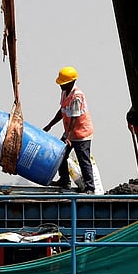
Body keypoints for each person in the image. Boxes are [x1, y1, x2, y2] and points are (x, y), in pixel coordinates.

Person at [43, 66, 95, 194]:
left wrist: (68, 136)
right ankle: (64, 180)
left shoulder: (77, 96)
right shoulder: (65, 93)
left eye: (63, 83)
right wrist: (50, 125)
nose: (61, 86)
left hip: (81, 133)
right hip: (70, 133)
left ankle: (90, 187)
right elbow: (62, 111)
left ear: (71, 82)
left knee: (83, 160)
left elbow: (74, 117)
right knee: (61, 155)